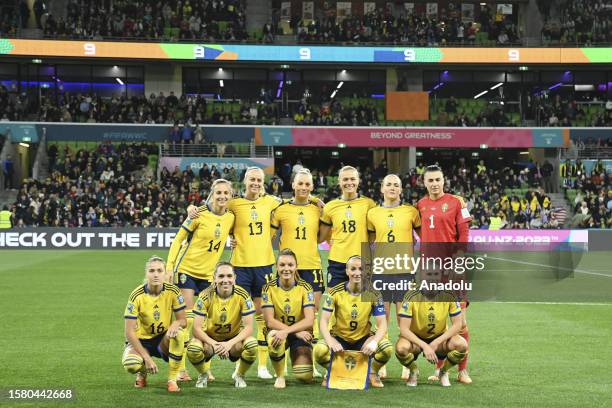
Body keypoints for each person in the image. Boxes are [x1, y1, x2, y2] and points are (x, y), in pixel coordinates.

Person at [166, 179, 235, 382]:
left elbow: (233, 235)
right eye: (218, 192)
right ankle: (179, 369)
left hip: (209, 276)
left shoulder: (231, 217)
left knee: (206, 324)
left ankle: (205, 368)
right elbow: (178, 239)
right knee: (185, 320)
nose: (222, 196)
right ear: (212, 194)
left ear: (231, 196)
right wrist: (170, 267)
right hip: (187, 270)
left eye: (226, 193)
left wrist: (234, 242)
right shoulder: (198, 214)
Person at [416, 164, 472, 384]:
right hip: (430, 271)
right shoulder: (420, 204)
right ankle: (440, 369)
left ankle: (463, 370)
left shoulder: (456, 202)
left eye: (437, 179)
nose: (434, 184)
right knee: (438, 322)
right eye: (430, 180)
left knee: (462, 322)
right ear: (424, 182)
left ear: (443, 180)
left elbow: (464, 232)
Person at [366, 174, 421, 378]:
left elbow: (421, 237)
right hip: (380, 272)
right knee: (382, 319)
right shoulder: (373, 214)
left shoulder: (411, 212)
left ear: (401, 190)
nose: (392, 187)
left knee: (404, 319)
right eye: (388, 184)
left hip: (404, 272)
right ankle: (382, 362)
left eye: (396, 185)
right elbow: (371, 241)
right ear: (382, 188)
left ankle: (407, 362)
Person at [314, 256, 392, 388]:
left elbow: (383, 324)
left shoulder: (374, 293)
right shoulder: (335, 292)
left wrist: (373, 342)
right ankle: (333, 370)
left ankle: (372, 372)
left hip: (363, 339)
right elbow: (323, 320)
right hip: (340, 339)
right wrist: (331, 341)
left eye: (361, 269)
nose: (357, 273)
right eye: (353, 269)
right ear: (347, 271)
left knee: (386, 348)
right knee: (319, 350)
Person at [186, 262, 258, 388]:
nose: (225, 280)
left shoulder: (243, 295)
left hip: (234, 341)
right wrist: (215, 344)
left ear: (235, 278)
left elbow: (249, 328)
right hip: (210, 341)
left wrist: (229, 344)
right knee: (193, 348)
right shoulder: (205, 295)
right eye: (221, 276)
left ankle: (239, 374)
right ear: (214, 278)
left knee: (252, 344)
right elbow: (196, 329)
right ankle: (203, 374)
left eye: (229, 276)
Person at [121, 256, 187, 393]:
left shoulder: (173, 291)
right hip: (140, 341)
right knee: (131, 364)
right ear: (146, 274)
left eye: (159, 270)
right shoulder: (136, 296)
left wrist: (176, 322)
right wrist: (146, 358)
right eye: (151, 271)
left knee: (180, 334)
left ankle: (172, 379)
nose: (156, 274)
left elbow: (183, 321)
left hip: (162, 340)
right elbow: (129, 332)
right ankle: (142, 372)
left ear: (165, 273)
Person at [395, 267, 467, 387]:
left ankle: (443, 372)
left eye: (435, 274)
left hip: (439, 340)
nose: (432, 277)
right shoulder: (411, 295)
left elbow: (458, 324)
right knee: (401, 348)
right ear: (422, 276)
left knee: (462, 345)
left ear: (440, 276)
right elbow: (404, 329)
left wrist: (435, 343)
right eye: (429, 274)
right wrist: (424, 345)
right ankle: (413, 371)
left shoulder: (449, 294)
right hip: (416, 340)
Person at [262, 249, 316, 388]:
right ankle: (280, 376)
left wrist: (291, 333)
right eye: (282, 265)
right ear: (277, 266)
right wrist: (294, 332)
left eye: (290, 265)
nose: (286, 269)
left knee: (304, 375)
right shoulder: (268, 288)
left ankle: (299, 355)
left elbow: (309, 320)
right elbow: (270, 321)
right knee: (275, 337)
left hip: (300, 335)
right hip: (281, 332)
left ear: (296, 266)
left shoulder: (306, 288)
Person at [318, 166, 376, 288]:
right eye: (345, 180)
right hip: (337, 261)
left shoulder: (369, 204)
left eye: (352, 179)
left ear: (358, 181)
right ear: (339, 182)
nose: (349, 183)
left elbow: (372, 235)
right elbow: (321, 237)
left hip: (362, 261)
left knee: (362, 304)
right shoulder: (330, 206)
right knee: (334, 302)